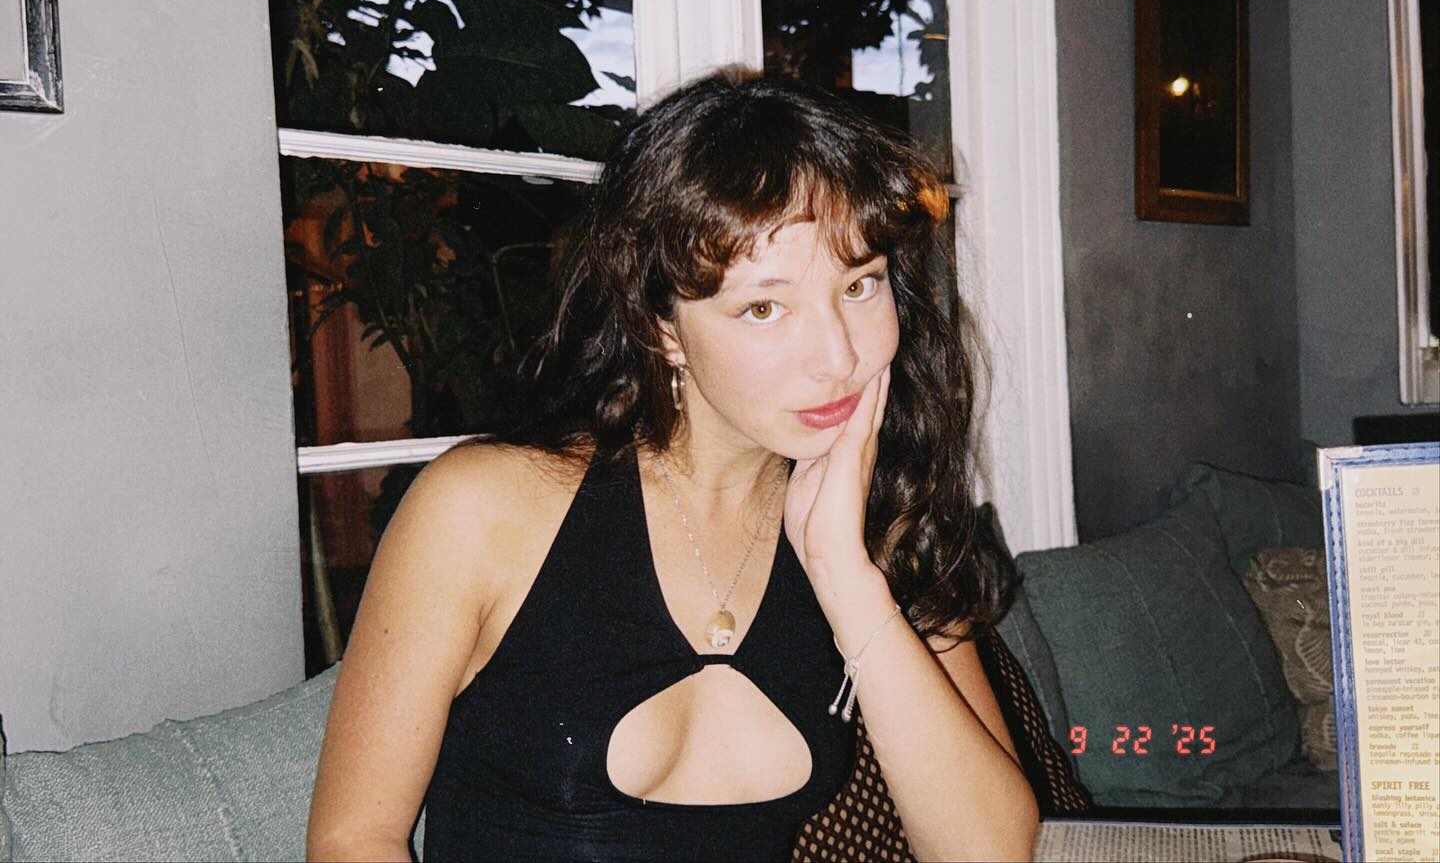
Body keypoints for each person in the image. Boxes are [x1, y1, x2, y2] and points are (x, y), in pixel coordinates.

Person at [305, 69, 1040, 862]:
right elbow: (354, 838)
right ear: (661, 326)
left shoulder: (880, 517)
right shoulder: (482, 509)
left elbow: (992, 853)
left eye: (860, 284)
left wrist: (847, 578)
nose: (839, 357)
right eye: (765, 307)